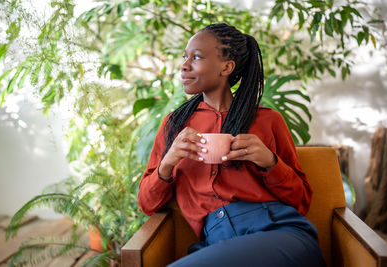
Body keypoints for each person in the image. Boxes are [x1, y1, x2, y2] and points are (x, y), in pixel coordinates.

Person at [138, 23, 326, 267]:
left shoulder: (268, 120)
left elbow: (302, 202)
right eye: (185, 57)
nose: (184, 65)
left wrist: (270, 163)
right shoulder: (174, 125)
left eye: (196, 57)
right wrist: (168, 162)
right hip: (218, 242)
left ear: (226, 67)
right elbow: (147, 204)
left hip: (279, 231)